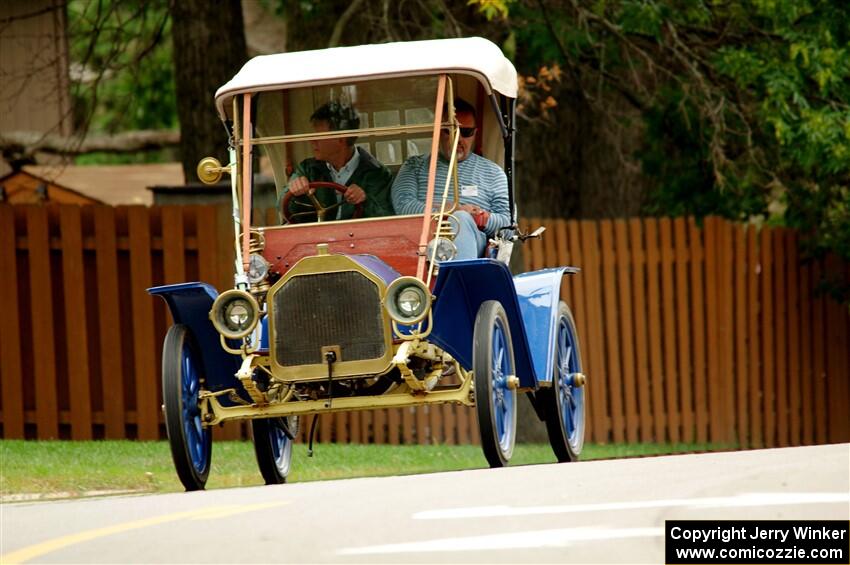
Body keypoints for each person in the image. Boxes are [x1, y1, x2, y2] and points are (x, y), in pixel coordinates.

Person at [391, 98, 511, 259]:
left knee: (461, 219)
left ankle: (460, 280)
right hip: (421, 246)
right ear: (438, 132)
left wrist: (477, 217)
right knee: (459, 216)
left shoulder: (493, 172)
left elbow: (508, 227)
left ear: (475, 133)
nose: (458, 139)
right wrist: (452, 210)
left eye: (466, 132)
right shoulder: (414, 166)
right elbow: (403, 206)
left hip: (474, 247)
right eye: (450, 131)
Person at [283, 101, 393, 222]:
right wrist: (295, 191)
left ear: (341, 140)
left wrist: (365, 200)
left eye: (318, 136)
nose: (312, 141)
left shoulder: (378, 174)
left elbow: (387, 219)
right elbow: (282, 205)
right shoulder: (307, 168)